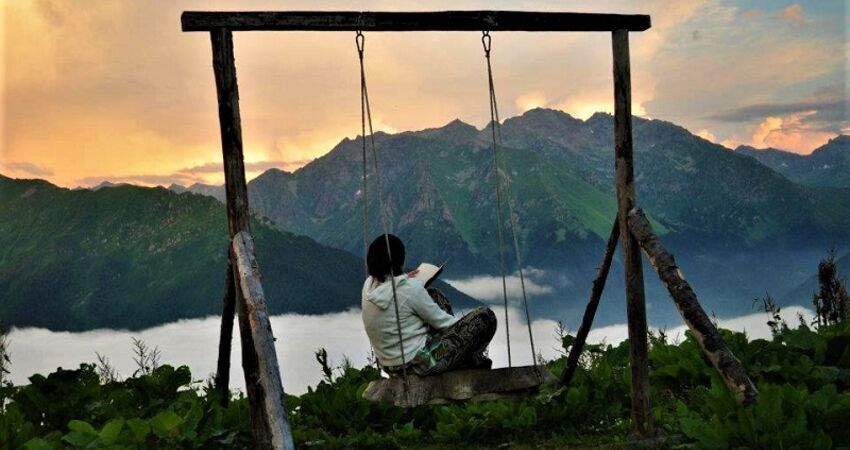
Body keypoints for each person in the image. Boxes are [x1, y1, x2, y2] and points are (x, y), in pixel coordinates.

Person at [361, 234, 497, 376]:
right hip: (425, 362)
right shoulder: (409, 290)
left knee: (433, 294)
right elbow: (444, 324)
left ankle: (462, 359)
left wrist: (404, 278)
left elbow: (392, 291)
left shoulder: (369, 286)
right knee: (485, 317)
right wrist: (464, 330)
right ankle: (468, 360)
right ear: (400, 260)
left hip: (392, 366)